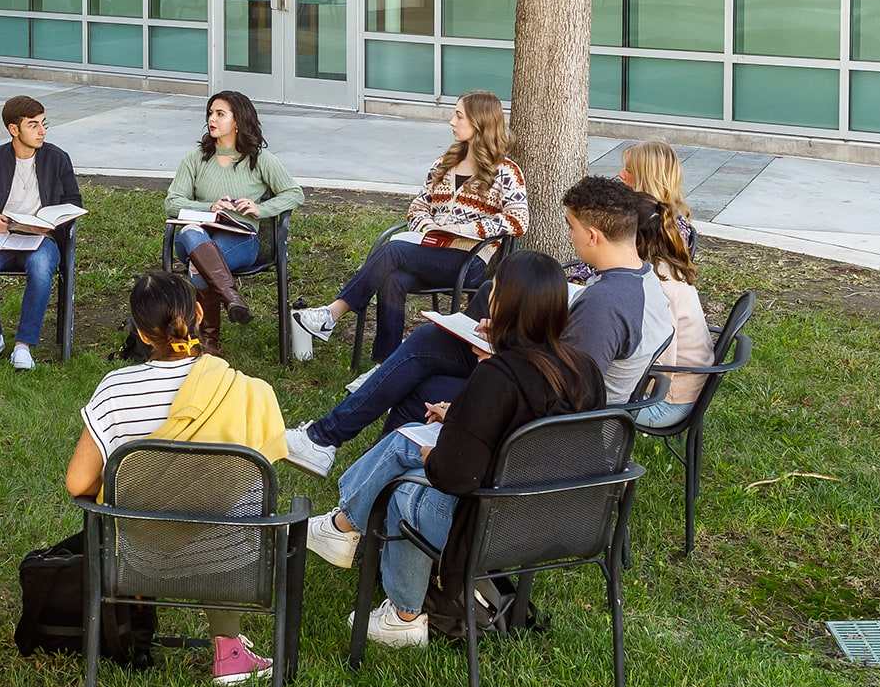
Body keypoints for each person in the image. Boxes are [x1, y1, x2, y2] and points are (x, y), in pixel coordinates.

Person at [302, 250, 603, 648]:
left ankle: (395, 603)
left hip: (490, 529)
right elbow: (527, 434)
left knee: (405, 488)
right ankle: (345, 529)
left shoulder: (498, 376)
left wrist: (435, 450)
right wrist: (460, 415)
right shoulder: (584, 370)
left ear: (504, 304)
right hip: (562, 521)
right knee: (410, 433)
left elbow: (453, 475)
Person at [284, 176, 674, 477]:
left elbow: (561, 391)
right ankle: (340, 456)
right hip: (558, 405)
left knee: (421, 380)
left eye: (571, 227)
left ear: (593, 235)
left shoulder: (604, 305)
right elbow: (566, 365)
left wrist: (500, 354)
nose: (570, 236)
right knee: (428, 342)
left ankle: (346, 468)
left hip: (552, 433)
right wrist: (510, 338)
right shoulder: (642, 282)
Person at [65, 271, 288, 687]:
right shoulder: (245, 392)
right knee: (234, 504)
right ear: (200, 314)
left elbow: (78, 484)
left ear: (142, 334)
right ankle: (229, 649)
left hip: (135, 561)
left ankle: (133, 628)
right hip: (228, 565)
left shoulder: (115, 389)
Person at [292, 91, 527, 367]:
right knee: (393, 280)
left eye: (459, 115)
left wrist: (464, 228)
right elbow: (417, 206)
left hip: (470, 261)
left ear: (479, 122)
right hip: (430, 250)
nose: (452, 121)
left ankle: (331, 314)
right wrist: (427, 225)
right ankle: (386, 365)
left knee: (393, 251)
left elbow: (518, 220)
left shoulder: (506, 171)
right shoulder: (444, 163)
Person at [164, 91, 304, 354]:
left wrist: (260, 209)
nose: (211, 119)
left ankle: (209, 343)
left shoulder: (259, 159)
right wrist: (209, 206)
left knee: (199, 266)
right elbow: (172, 201)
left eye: (220, 114)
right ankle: (232, 298)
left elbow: (294, 193)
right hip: (197, 236)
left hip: (239, 239)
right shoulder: (196, 158)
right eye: (210, 113)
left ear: (237, 121)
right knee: (193, 234)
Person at [0, 94, 83, 370]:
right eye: (33, 125)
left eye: (44, 124)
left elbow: (74, 202)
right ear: (14, 129)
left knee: (41, 267)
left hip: (40, 239)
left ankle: (24, 344)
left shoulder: (58, 159)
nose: (42, 131)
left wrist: (53, 221)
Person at [634, 189, 714, 429]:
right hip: (680, 391)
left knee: (578, 401)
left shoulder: (659, 289)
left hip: (667, 403)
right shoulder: (665, 268)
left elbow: (660, 364)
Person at [570, 138, 698, 286]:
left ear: (649, 179)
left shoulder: (643, 224)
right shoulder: (678, 222)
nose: (621, 174)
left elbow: (604, 264)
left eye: (629, 171)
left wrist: (574, 283)